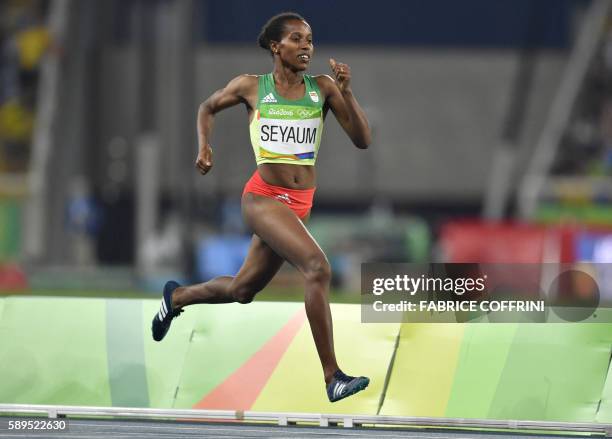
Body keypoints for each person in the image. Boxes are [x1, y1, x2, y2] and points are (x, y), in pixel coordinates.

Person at [152, 12, 372, 403]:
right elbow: (206, 107)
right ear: (276, 47)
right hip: (263, 199)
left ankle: (177, 298)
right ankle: (332, 376)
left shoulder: (322, 88)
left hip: (300, 204)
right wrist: (205, 145)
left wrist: (348, 93)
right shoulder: (252, 87)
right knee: (317, 268)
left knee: (242, 290)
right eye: (296, 39)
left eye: (310, 39)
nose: (307, 46)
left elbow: (362, 140)